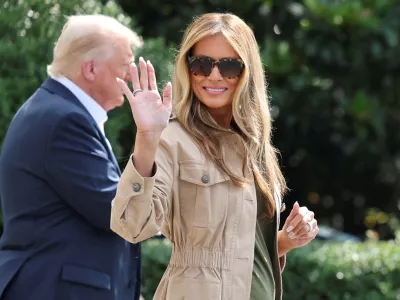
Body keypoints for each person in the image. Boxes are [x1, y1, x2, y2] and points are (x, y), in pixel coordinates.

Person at [110, 12, 319, 300]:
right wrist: (146, 137)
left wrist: (289, 238)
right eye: (202, 64)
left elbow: (242, 248)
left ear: (247, 72)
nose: (214, 75)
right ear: (188, 68)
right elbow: (131, 226)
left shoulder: (256, 146)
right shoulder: (172, 137)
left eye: (230, 66)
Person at [0, 15, 143, 300]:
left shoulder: (57, 111)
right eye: (126, 65)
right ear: (90, 69)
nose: (131, 75)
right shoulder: (64, 121)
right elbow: (118, 213)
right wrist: (149, 137)